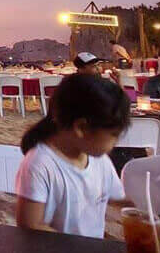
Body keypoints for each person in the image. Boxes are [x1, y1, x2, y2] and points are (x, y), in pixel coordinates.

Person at [15, 74, 131, 238]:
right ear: (81, 127)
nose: (116, 142)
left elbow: (116, 198)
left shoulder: (100, 160)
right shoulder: (40, 164)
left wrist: (150, 204)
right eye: (113, 135)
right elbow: (30, 225)